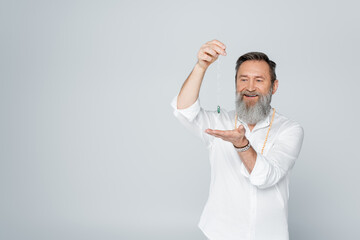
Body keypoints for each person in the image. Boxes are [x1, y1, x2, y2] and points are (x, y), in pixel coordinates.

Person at [170, 39, 304, 240]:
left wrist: (241, 144)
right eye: (243, 79)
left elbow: (266, 177)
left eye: (259, 80)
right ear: (235, 84)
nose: (250, 87)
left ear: (273, 86)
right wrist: (201, 66)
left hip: (269, 234)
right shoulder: (221, 121)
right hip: (220, 233)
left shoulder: (289, 130)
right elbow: (183, 110)